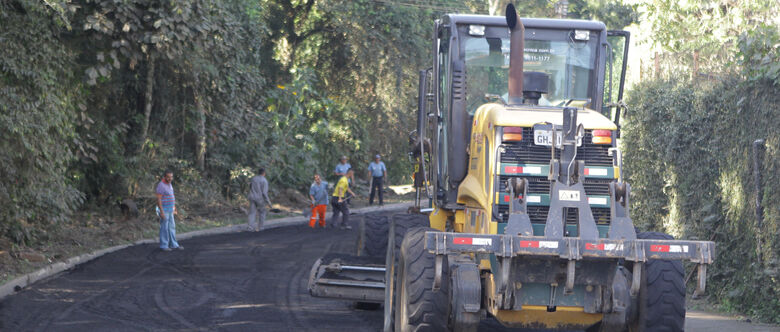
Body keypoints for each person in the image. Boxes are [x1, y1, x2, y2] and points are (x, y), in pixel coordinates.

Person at [156, 170, 182, 251]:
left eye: (171, 177)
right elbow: (159, 200)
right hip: (164, 209)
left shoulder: (169, 184)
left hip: (170, 209)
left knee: (172, 227)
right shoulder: (161, 185)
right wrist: (161, 212)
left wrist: (174, 208)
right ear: (164, 177)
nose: (170, 178)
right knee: (164, 228)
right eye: (168, 177)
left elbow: (171, 196)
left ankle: (173, 244)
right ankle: (164, 245)